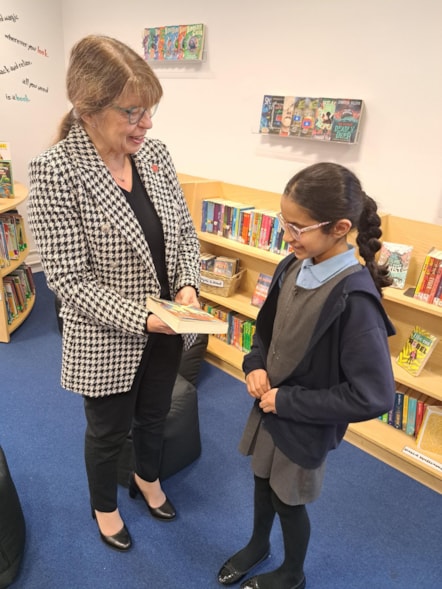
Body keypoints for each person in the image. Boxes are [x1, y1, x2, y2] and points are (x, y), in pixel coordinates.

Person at [27, 35, 200, 552]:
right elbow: (69, 280)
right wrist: (145, 318)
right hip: (107, 336)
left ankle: (147, 478)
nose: (147, 125)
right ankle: (105, 506)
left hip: (168, 325)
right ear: (89, 107)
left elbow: (183, 234)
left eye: (150, 112)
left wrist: (187, 285)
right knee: (106, 433)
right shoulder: (56, 171)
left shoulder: (156, 155)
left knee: (154, 415)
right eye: (134, 113)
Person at [217, 162, 396, 589]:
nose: (287, 235)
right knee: (261, 483)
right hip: (269, 411)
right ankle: (258, 544)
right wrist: (254, 364)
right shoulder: (292, 265)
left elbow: (374, 396)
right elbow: (263, 331)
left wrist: (288, 401)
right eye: (284, 222)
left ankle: (293, 572)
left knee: (289, 501)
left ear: (339, 228)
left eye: (297, 227)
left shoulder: (355, 301)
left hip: (303, 424)